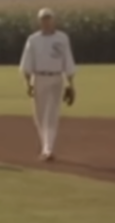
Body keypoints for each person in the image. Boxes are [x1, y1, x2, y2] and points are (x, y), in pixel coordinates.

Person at [19, 8, 77, 161]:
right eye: (44, 19)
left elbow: (68, 61)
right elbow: (27, 63)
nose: (46, 21)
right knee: (39, 114)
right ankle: (45, 145)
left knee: (51, 114)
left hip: (56, 77)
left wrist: (71, 84)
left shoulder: (62, 38)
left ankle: (48, 149)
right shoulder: (33, 39)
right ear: (39, 21)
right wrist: (27, 83)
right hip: (39, 78)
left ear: (53, 20)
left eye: (48, 18)